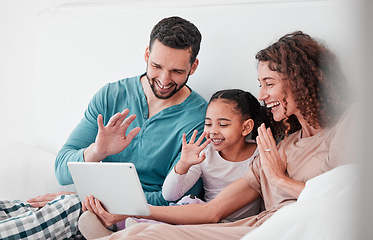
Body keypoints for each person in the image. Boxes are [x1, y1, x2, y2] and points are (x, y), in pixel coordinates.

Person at [80, 31, 355, 240]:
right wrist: (133, 211)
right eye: (260, 85)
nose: (262, 95)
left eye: (269, 84)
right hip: (253, 226)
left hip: (283, 229)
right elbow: (213, 211)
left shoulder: (345, 127)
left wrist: (280, 180)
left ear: (300, 80)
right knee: (138, 234)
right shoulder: (281, 144)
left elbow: (351, 198)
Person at [0, 16, 207, 240]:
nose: (164, 80)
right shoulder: (111, 95)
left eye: (176, 71)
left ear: (193, 66)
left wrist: (93, 201)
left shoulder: (199, 118)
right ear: (147, 55)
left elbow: (178, 200)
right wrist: (97, 151)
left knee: (66, 206)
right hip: (86, 205)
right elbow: (61, 169)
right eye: (156, 66)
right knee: (14, 210)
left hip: (130, 219)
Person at [78, 89, 272, 238]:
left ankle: (135, 233)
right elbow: (169, 195)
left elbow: (213, 213)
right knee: (185, 204)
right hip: (200, 216)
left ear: (246, 127)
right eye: (208, 123)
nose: (213, 131)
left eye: (223, 124)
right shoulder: (205, 152)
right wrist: (183, 164)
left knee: (186, 215)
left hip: (232, 226)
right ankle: (129, 232)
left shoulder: (259, 156)